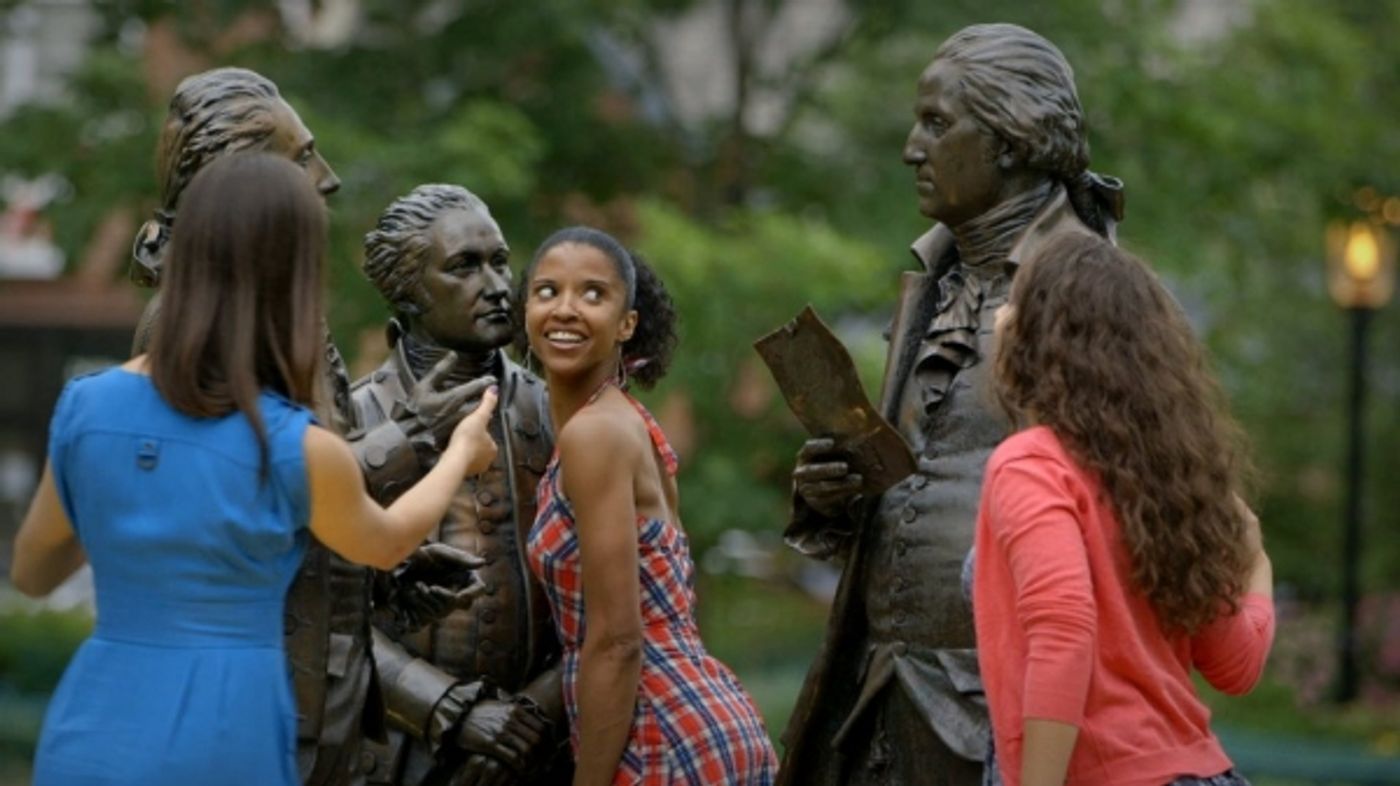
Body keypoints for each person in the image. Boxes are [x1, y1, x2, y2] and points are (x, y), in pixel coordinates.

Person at [10, 153, 501, 786]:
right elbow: (387, 541)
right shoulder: (294, 445)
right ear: (293, 279)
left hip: (96, 728)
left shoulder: (87, 406)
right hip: (226, 735)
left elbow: (31, 571)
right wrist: (461, 450)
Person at [779, 23, 1125, 786]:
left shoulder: (1088, 286)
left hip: (1005, 709)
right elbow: (925, 481)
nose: (911, 148)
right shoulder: (935, 282)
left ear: (1011, 139)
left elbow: (1128, 510)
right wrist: (834, 496)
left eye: (937, 123)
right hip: (883, 694)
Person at [130, 67, 486, 784]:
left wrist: (385, 579)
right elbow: (244, 498)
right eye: (301, 158)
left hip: (320, 713)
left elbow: (295, 526)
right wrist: (411, 437)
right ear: (243, 183)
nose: (326, 179)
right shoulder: (185, 324)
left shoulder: (273, 310)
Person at [975, 232, 1275, 786]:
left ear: (1038, 337)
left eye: (1014, 301)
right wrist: (1257, 567)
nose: (1000, 314)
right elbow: (1235, 666)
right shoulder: (1166, 485)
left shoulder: (1029, 465)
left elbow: (1063, 631)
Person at [522, 227, 777, 785]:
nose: (565, 309)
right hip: (702, 716)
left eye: (593, 294)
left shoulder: (595, 435)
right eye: (547, 291)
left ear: (626, 324)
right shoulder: (623, 419)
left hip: (658, 732)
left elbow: (617, 640)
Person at [353, 184, 570, 785]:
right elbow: (320, 611)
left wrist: (530, 718)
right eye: (464, 267)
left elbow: (610, 597)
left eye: (500, 260)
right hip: (393, 757)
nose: (500, 286)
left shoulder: (559, 413)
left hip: (543, 756)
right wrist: (447, 707)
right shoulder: (352, 422)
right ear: (407, 290)